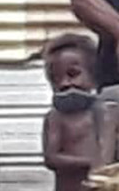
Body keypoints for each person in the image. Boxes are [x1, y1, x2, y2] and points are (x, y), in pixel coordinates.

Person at [39, 34, 100, 191]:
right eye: (56, 78)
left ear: (94, 76)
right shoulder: (56, 117)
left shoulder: (102, 113)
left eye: (73, 74)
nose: (65, 83)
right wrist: (90, 162)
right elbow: (51, 158)